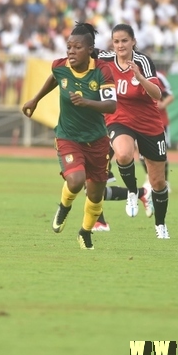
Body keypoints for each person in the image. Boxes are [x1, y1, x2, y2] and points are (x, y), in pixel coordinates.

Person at [22, 22, 116, 250]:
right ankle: (64, 206)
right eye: (69, 47)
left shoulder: (102, 71)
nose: (71, 51)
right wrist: (35, 99)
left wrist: (86, 102)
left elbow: (111, 106)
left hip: (97, 139)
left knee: (95, 194)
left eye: (77, 47)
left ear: (90, 49)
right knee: (75, 180)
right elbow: (54, 77)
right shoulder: (60, 66)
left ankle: (84, 233)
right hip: (68, 136)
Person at [98, 23, 171, 239]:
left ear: (133, 42)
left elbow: (157, 95)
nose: (120, 45)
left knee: (158, 181)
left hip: (148, 124)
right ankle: (131, 192)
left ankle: (160, 224)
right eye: (116, 41)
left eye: (124, 41)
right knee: (122, 154)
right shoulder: (105, 59)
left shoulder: (142, 61)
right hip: (119, 119)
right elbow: (84, 50)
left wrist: (139, 77)